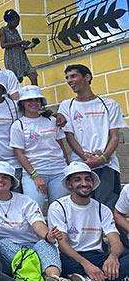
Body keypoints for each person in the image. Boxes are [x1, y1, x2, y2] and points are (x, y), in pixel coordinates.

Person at [0, 161, 73, 281]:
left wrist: (48, 235)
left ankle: (54, 278)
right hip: (8, 251)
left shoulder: (26, 201)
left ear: (12, 182)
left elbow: (37, 223)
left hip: (31, 245)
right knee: (4, 243)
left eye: (5, 177)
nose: (0, 180)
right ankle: (37, 278)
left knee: (45, 244)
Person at [47, 162, 129, 281]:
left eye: (88, 179)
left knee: (121, 256)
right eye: (77, 180)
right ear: (69, 184)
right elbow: (63, 245)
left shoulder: (103, 209)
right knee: (61, 263)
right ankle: (113, 279)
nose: (84, 183)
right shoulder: (58, 207)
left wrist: (113, 257)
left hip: (97, 256)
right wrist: (86, 265)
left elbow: (115, 241)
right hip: (73, 257)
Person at [58, 64, 125, 209]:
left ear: (87, 77)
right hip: (80, 165)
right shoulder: (66, 105)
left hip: (107, 164)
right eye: (67, 78)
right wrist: (85, 157)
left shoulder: (109, 104)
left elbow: (114, 137)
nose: (69, 81)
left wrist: (102, 158)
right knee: (83, 208)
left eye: (73, 76)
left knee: (107, 208)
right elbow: (70, 136)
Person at [9, 86, 69, 212]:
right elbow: (18, 153)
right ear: (22, 103)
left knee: (59, 210)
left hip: (58, 171)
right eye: (29, 100)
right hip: (34, 172)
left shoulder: (52, 120)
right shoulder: (18, 125)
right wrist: (35, 176)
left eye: (37, 100)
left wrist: (68, 166)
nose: (34, 103)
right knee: (34, 211)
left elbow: (60, 145)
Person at [0, 9, 38, 85]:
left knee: (33, 75)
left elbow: (21, 46)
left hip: (21, 57)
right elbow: (3, 45)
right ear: (10, 20)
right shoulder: (3, 30)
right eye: (16, 22)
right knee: (16, 80)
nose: (17, 24)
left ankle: (34, 93)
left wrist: (30, 45)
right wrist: (19, 42)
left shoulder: (15, 31)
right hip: (11, 58)